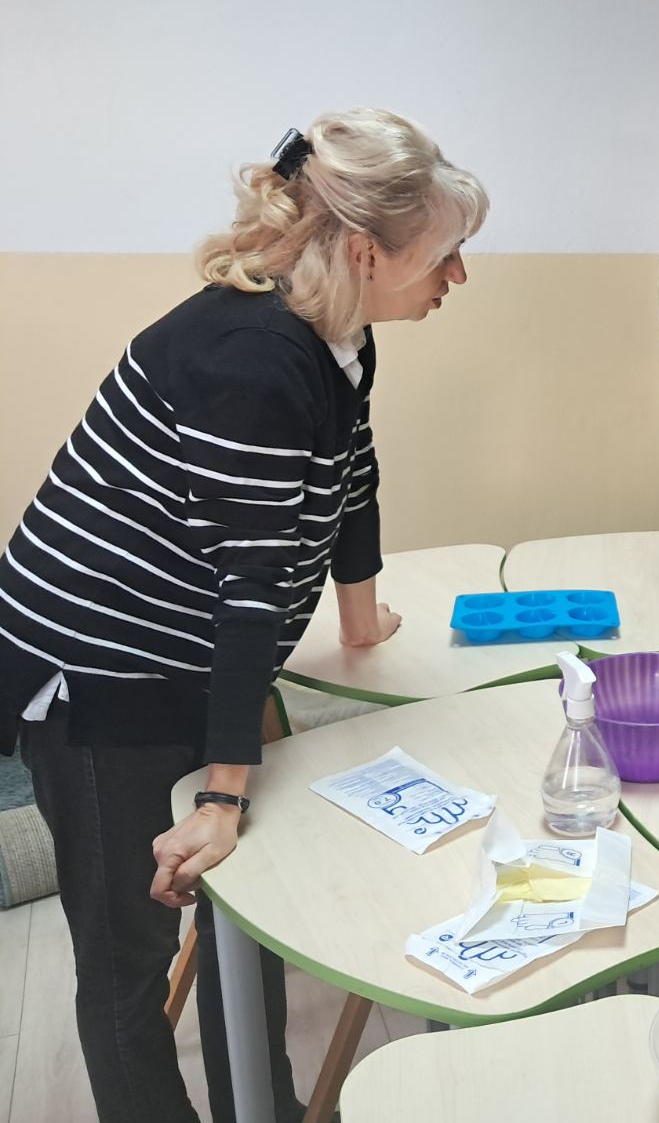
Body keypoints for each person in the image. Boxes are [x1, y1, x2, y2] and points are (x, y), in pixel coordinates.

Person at [0, 108, 486, 1122]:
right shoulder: (251, 359)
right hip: (96, 675)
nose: (460, 275)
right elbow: (248, 592)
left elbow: (352, 474)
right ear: (367, 250)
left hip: (196, 650)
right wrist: (223, 797)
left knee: (252, 911)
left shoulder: (337, 329)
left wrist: (360, 616)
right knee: (129, 953)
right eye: (446, 253)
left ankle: (258, 1104)